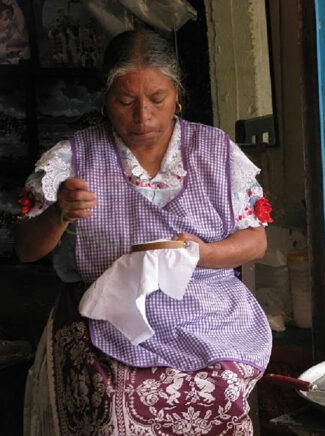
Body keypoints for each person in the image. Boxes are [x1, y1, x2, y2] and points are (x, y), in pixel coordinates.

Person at [16, 29, 273, 435]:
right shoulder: (71, 159)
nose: (143, 117)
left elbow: (255, 241)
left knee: (220, 388)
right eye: (125, 101)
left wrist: (199, 254)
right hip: (107, 314)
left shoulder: (217, 152)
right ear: (106, 99)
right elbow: (26, 250)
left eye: (157, 99)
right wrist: (60, 215)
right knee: (124, 400)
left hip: (210, 313)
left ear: (177, 93)